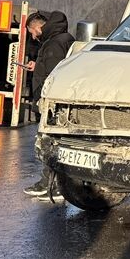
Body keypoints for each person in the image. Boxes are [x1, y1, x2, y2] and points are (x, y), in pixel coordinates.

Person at [23, 11, 75, 199]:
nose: (32, 36)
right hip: (61, 103)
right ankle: (55, 185)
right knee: (56, 143)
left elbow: (55, 75)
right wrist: (38, 66)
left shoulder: (53, 44)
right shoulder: (64, 38)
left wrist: (44, 100)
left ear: (38, 27)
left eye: (31, 31)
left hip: (53, 103)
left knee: (49, 143)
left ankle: (51, 185)